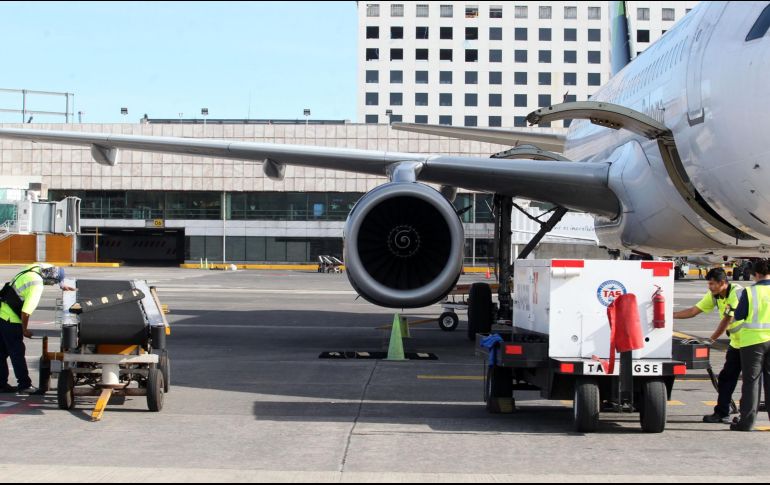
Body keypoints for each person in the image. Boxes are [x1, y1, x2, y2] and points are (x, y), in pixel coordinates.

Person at [674, 268, 743, 424]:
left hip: (750, 342)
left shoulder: (736, 293)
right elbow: (693, 311)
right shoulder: (715, 295)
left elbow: (727, 320)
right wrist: (670, 315)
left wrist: (711, 340)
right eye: (709, 284)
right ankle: (723, 412)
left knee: (750, 381)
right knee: (726, 378)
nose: (709, 287)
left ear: (722, 282)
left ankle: (744, 415)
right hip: (737, 342)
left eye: (712, 284)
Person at [0, 264, 69, 394]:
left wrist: (61, 284)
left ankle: (1, 384)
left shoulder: (34, 268)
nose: (51, 284)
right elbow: (26, 312)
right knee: (17, 353)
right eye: (53, 282)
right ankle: (24, 385)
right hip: (11, 319)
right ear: (50, 278)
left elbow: (51, 268)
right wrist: (24, 330)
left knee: (1, 352)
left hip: (1, 314)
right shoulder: (36, 285)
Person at [730, 259, 770, 431]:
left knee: (751, 382)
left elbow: (739, 316)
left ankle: (747, 422)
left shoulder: (750, 291)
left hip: (753, 342)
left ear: (756, 274)